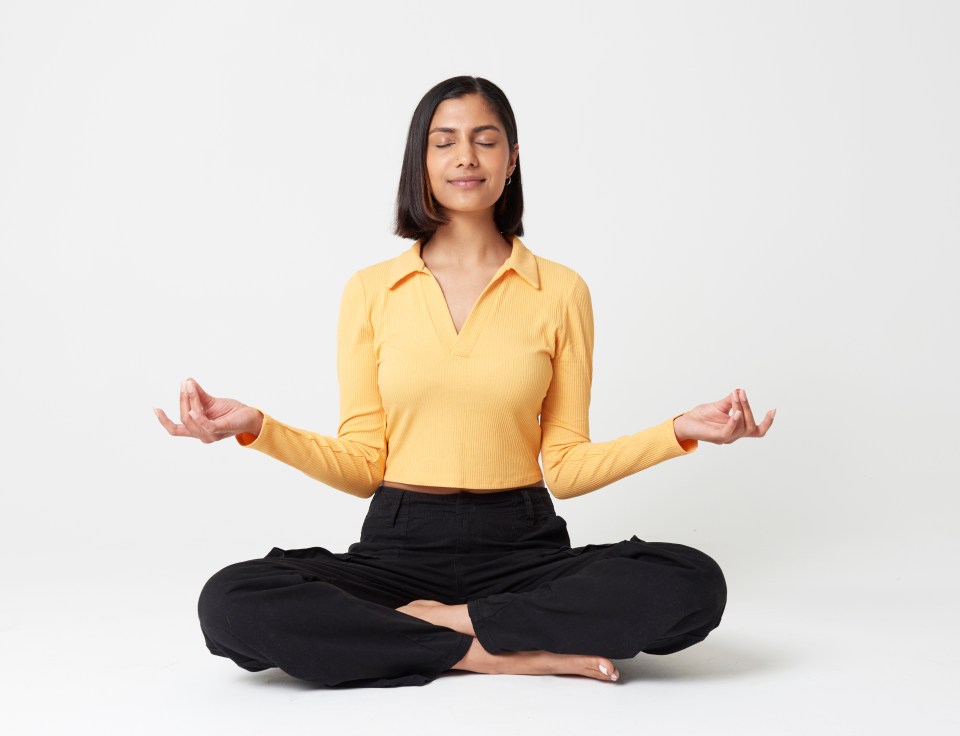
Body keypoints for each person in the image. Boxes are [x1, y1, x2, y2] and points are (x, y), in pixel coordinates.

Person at [155, 76, 775, 689]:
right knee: (231, 601)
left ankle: (440, 628)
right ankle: (492, 652)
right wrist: (257, 428)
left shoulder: (561, 291)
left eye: (485, 139)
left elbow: (565, 467)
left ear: (512, 158)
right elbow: (361, 466)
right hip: (397, 547)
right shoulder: (372, 291)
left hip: (523, 545)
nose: (466, 157)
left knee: (692, 581)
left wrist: (678, 432)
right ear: (420, 161)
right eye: (444, 141)